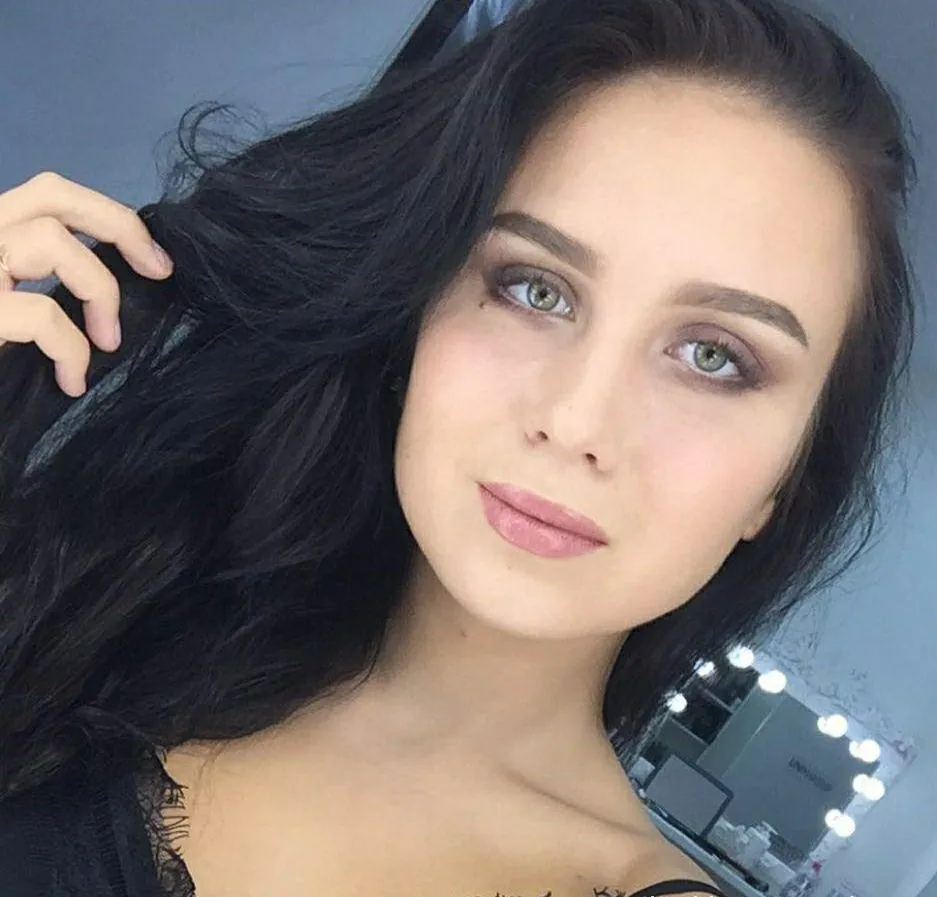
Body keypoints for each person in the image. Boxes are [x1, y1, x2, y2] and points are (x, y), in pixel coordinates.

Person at [0, 0, 918, 895]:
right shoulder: (97, 597)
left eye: (713, 357)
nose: (575, 420)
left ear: (783, 482)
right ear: (419, 308)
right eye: (535, 289)